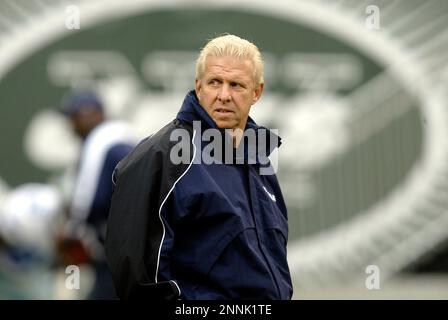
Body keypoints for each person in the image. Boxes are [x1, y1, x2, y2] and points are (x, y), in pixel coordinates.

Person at [106, 34, 293, 300]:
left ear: (257, 93)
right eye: (215, 82)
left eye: (237, 85)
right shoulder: (163, 154)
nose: (224, 95)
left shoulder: (259, 160)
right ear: (198, 86)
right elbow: (137, 276)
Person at [59, 89, 135, 299]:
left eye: (75, 117)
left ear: (92, 114)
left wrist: (72, 230)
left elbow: (86, 202)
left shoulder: (102, 139)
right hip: (137, 247)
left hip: (116, 252)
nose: (71, 124)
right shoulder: (125, 134)